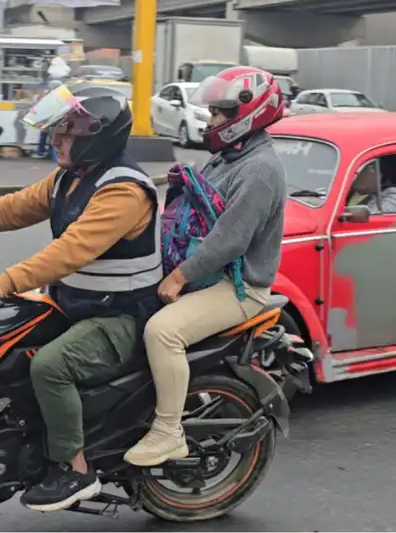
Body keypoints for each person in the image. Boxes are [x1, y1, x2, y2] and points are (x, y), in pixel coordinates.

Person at [0, 85, 162, 512]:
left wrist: (3, 281)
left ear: (95, 138)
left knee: (51, 366)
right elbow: (15, 207)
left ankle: (74, 468)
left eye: (65, 133)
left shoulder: (123, 191)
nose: (54, 140)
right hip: (76, 302)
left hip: (120, 316)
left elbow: (72, 250)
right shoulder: (70, 179)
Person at [123, 66, 287, 467]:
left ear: (248, 114)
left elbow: (229, 240)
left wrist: (180, 276)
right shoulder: (229, 157)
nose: (211, 120)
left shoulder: (259, 169)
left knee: (163, 332)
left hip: (239, 287)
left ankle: (167, 432)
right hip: (212, 277)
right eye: (212, 111)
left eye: (219, 113)